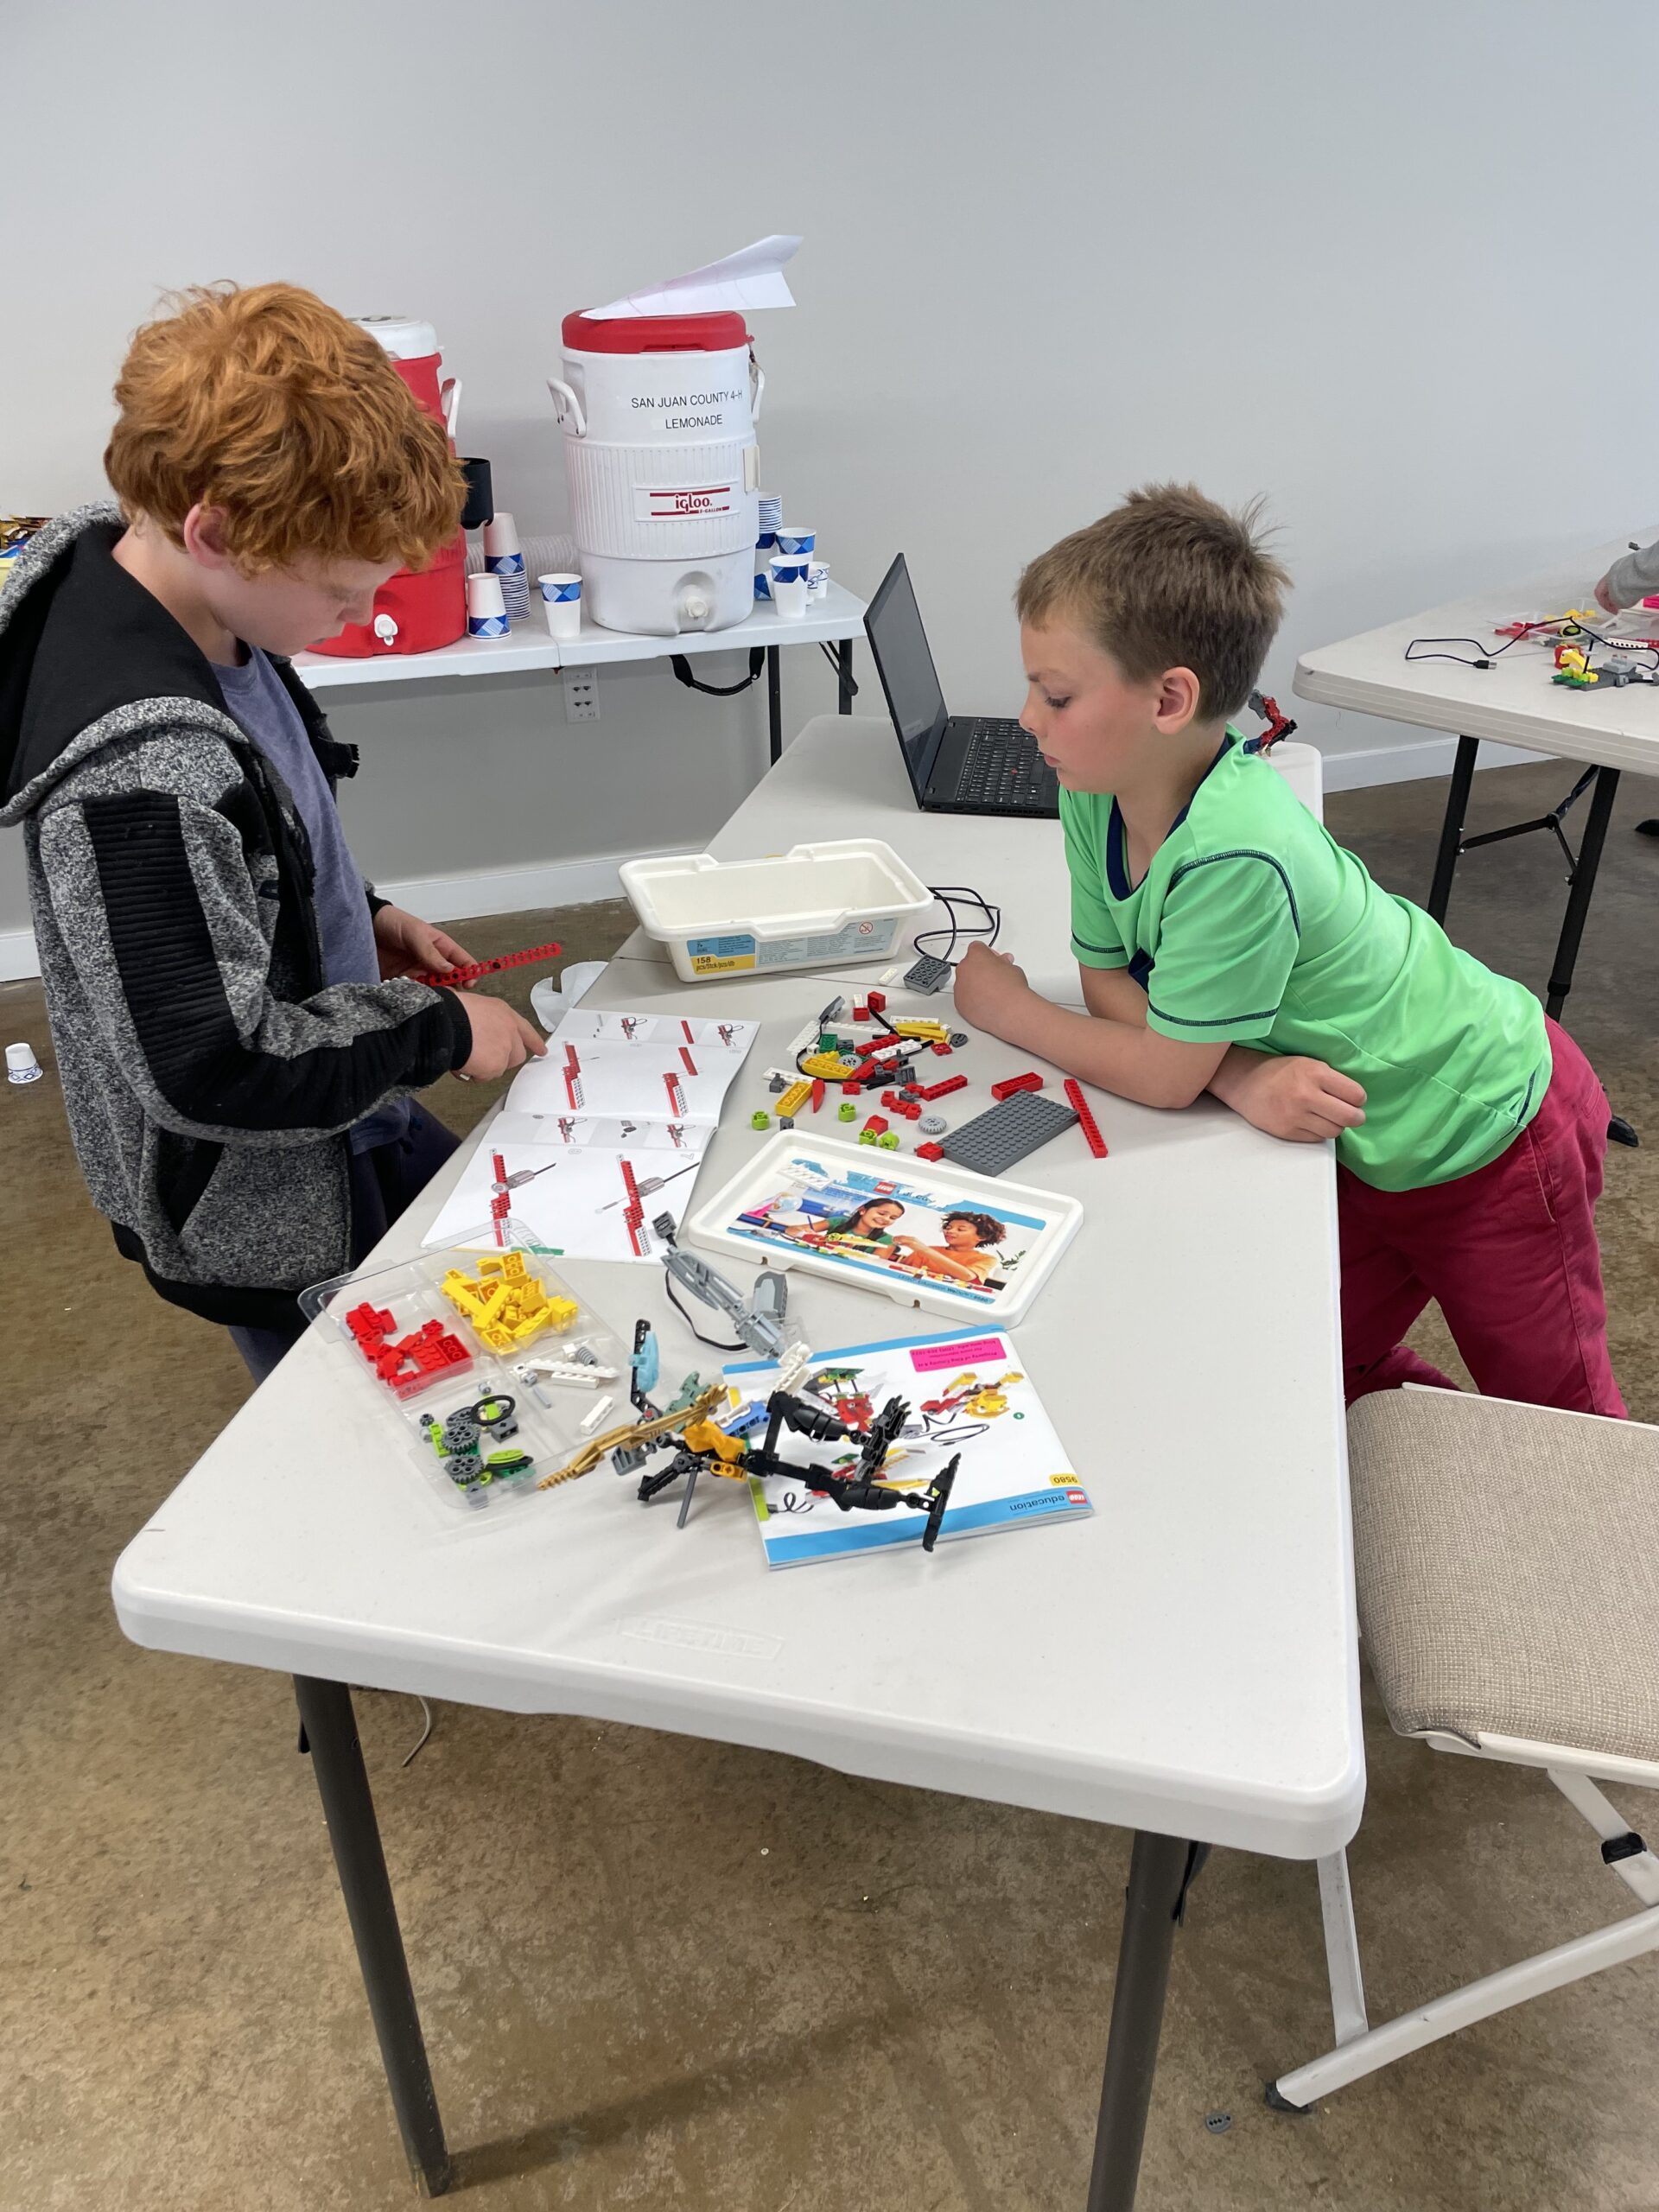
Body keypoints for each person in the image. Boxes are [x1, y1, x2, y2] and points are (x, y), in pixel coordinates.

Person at [953, 483, 1623, 1415]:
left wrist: (1017, 1013)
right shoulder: (1091, 785)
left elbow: (1156, 1072)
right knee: (1300, 1359)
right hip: (1361, 1137)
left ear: (1170, 699)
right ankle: (1424, 1453)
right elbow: (1110, 978)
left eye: (1056, 694)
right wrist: (1230, 1074)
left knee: (1557, 1411)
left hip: (1490, 1131)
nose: (1028, 718)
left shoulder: (1235, 847)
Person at [0, 283, 545, 1382]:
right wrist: (435, 1032)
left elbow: (257, 832)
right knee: (375, 1410)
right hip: (262, 1182)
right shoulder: (141, 771)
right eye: (344, 592)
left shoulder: (201, 605)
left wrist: (361, 915)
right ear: (216, 531)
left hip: (343, 1080)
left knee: (487, 1269)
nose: (358, 618)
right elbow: (215, 1067)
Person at [892, 1210, 1007, 1285]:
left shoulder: (986, 1259)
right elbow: (902, 1272)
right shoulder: (928, 1250)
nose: (949, 1231)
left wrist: (925, 1250)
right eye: (948, 1227)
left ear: (981, 1236)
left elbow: (968, 1276)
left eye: (961, 1229)